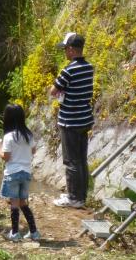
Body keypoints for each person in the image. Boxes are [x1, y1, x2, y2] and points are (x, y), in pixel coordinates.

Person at [50, 32, 94, 209]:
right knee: (81, 159)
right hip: (84, 119)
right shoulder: (89, 67)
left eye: (65, 49)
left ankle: (73, 198)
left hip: (70, 121)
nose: (64, 53)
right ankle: (81, 196)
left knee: (71, 161)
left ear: (71, 49)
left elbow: (54, 91)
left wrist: (55, 90)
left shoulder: (68, 70)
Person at [0, 104, 39, 242]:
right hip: (26, 173)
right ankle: (34, 232)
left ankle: (15, 233)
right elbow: (33, 151)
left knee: (14, 204)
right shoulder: (28, 134)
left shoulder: (8, 136)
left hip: (12, 173)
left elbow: (5, 157)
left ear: (8, 119)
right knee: (23, 203)